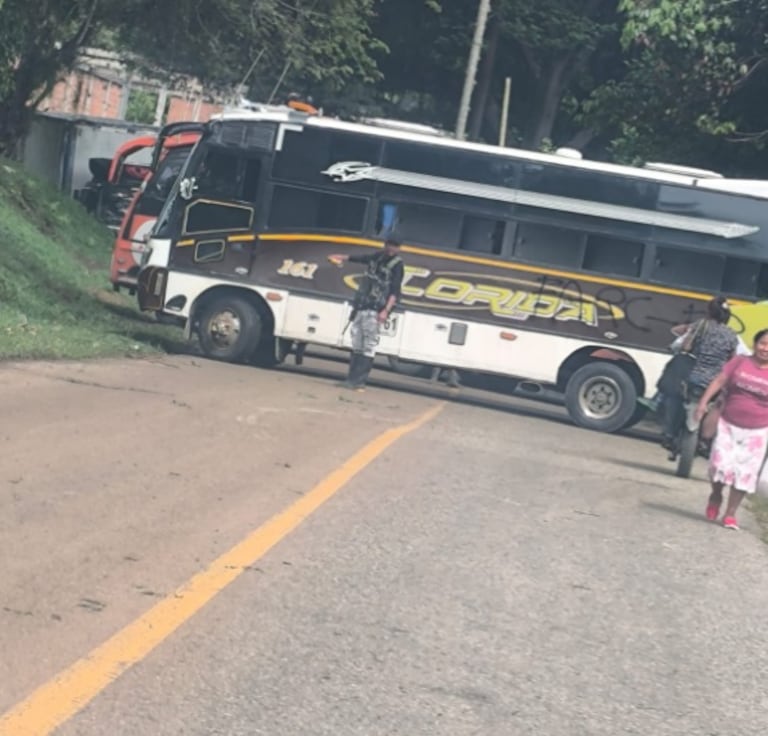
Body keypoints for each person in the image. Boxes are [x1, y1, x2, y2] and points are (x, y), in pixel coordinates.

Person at [694, 328, 768, 529]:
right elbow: (719, 380)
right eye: (762, 343)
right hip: (728, 422)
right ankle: (716, 495)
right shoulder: (740, 362)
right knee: (718, 465)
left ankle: (730, 514)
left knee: (745, 472)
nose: (765, 348)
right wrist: (703, 403)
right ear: (755, 344)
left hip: (759, 430)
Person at [652, 297, 738, 452]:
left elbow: (686, 346)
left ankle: (669, 433)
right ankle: (707, 440)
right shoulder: (732, 335)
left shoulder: (701, 325)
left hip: (693, 376)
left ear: (709, 311)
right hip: (715, 381)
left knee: (673, 395)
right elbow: (732, 359)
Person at [330, 238, 404, 390]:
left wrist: (386, 311)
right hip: (362, 305)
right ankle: (350, 379)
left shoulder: (397, 265)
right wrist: (343, 257)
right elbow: (362, 258)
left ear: (399, 248)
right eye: (389, 244)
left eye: (395, 246)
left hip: (377, 309)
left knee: (368, 345)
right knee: (357, 344)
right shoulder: (378, 257)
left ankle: (360, 381)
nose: (391, 248)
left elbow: (395, 291)